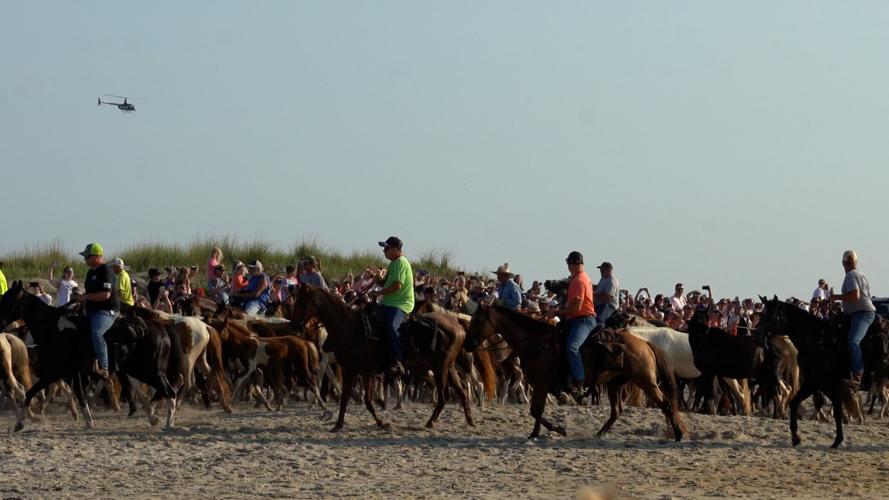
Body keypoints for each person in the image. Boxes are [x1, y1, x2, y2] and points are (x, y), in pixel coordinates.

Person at [829, 250, 876, 388]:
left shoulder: (851, 275)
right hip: (856, 313)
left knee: (853, 341)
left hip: (862, 313)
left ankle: (858, 375)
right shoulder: (861, 274)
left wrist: (836, 297)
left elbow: (855, 296)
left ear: (844, 263)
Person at [369, 236, 414, 373]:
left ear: (395, 249)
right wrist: (378, 279)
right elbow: (387, 282)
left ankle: (398, 360)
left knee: (390, 326)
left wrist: (379, 293)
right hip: (388, 302)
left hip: (400, 304)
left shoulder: (401, 262)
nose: (384, 251)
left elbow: (397, 286)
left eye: (386, 248)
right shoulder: (393, 263)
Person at [76, 243, 119, 379]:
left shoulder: (105, 270)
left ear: (96, 256)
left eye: (87, 256)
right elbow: (90, 293)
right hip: (92, 312)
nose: (85, 259)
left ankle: (104, 367)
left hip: (106, 311)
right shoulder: (90, 272)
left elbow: (105, 295)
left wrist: (84, 297)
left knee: (96, 333)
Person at [561, 251, 596, 401]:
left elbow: (576, 306)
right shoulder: (580, 278)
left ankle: (579, 381)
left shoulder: (578, 281)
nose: (567, 266)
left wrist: (559, 311)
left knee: (572, 347)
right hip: (577, 319)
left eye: (568, 263)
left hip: (583, 319)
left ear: (573, 264)